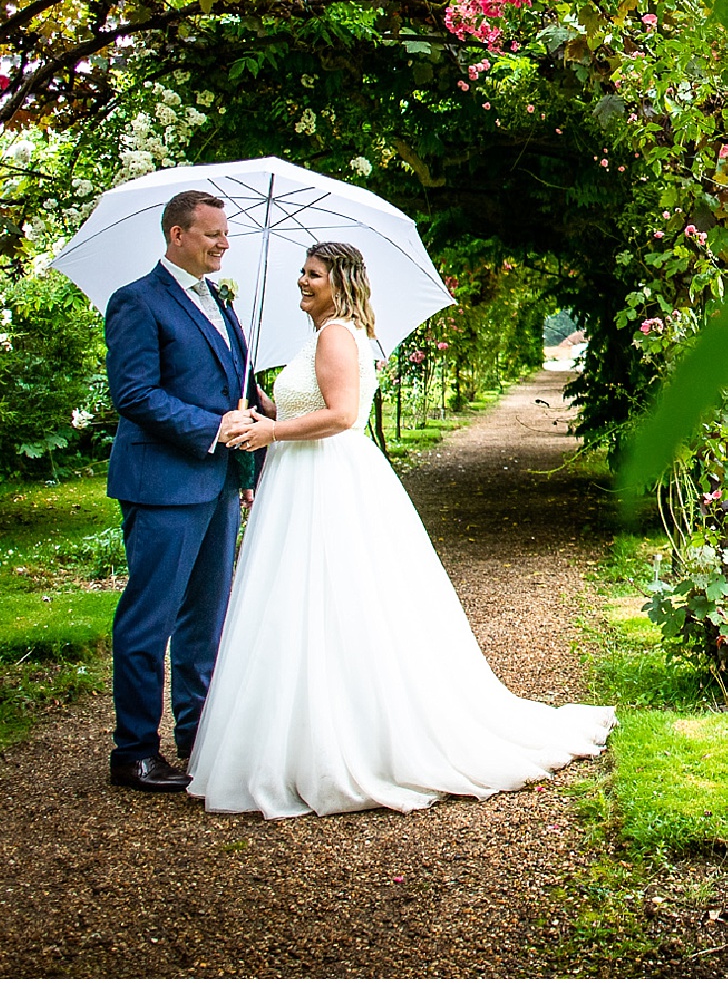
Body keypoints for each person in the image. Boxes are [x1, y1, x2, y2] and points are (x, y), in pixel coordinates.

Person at [188, 241, 616, 817]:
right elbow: (309, 403)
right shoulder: (329, 334)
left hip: (324, 480)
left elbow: (341, 416)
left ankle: (344, 743)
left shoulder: (336, 334)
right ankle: (304, 737)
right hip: (306, 476)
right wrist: (263, 406)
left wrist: (271, 434)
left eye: (312, 274)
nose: (301, 281)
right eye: (301, 272)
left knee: (327, 600)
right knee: (306, 603)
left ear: (339, 283)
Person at [102, 190, 272, 793]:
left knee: (207, 619)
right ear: (177, 235)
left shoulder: (221, 304)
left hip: (219, 482)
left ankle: (199, 737)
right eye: (212, 235)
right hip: (164, 483)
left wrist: (259, 410)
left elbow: (226, 382)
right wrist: (212, 427)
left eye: (226, 234)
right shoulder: (136, 303)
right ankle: (134, 751)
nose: (224, 243)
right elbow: (136, 395)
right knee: (150, 616)